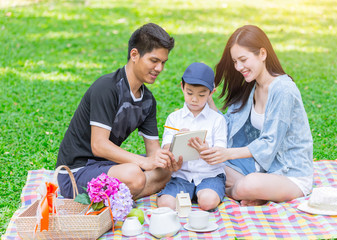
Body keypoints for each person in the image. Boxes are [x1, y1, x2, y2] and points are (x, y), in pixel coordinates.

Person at [56, 23, 181, 200]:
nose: (159, 68)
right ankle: (126, 192)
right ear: (135, 55)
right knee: (134, 174)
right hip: (75, 173)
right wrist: (143, 162)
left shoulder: (148, 101)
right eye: (154, 61)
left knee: (163, 172)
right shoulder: (107, 87)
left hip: (108, 166)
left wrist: (166, 159)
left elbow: (153, 151)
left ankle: (119, 195)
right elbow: (98, 145)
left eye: (163, 62)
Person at [195, 25, 313, 206]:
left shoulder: (283, 90)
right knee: (202, 164)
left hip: (290, 173)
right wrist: (208, 99)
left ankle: (237, 192)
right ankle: (249, 193)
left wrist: (226, 154)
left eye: (243, 59)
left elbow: (269, 142)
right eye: (235, 62)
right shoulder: (251, 86)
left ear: (262, 54)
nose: (238, 67)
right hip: (260, 169)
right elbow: (229, 125)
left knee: (247, 185)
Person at [157, 62, 228, 211]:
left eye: (201, 95)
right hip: (182, 176)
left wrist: (206, 150)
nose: (194, 99)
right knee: (165, 204)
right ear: (182, 87)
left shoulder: (217, 120)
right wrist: (177, 140)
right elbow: (166, 148)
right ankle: (188, 194)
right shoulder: (174, 118)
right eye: (189, 93)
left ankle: (202, 194)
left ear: (211, 93)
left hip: (210, 175)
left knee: (207, 202)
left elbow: (221, 152)